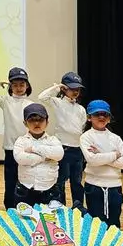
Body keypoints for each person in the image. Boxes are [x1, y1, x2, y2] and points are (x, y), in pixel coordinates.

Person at [80, 100, 123, 228]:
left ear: (109, 118)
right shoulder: (86, 137)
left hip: (114, 186)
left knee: (114, 223)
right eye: (97, 114)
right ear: (89, 117)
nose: (101, 117)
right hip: (94, 186)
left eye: (105, 114)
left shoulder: (116, 138)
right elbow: (92, 160)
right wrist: (115, 155)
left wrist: (101, 154)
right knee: (95, 224)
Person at [38, 72, 87, 206]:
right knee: (60, 181)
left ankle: (78, 207)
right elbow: (42, 97)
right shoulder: (58, 103)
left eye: (78, 89)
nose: (75, 91)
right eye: (72, 88)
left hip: (77, 149)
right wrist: (57, 88)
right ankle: (60, 207)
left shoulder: (81, 109)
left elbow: (81, 128)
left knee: (77, 181)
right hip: (62, 148)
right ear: (64, 88)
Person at [0, 67, 34, 209]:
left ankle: (25, 204)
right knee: (10, 179)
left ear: (27, 86)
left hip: (26, 148)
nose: (19, 88)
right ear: (10, 87)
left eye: (22, 84)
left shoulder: (31, 104)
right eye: (14, 85)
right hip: (10, 147)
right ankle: (9, 206)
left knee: (25, 178)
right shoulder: (6, 101)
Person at [13, 103, 64, 206]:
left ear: (47, 122)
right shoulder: (21, 140)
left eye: (40, 120)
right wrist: (45, 157)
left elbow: (59, 154)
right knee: (24, 216)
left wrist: (34, 149)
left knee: (50, 216)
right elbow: (20, 158)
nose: (36, 123)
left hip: (50, 188)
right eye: (32, 120)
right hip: (25, 188)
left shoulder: (53, 140)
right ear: (25, 123)